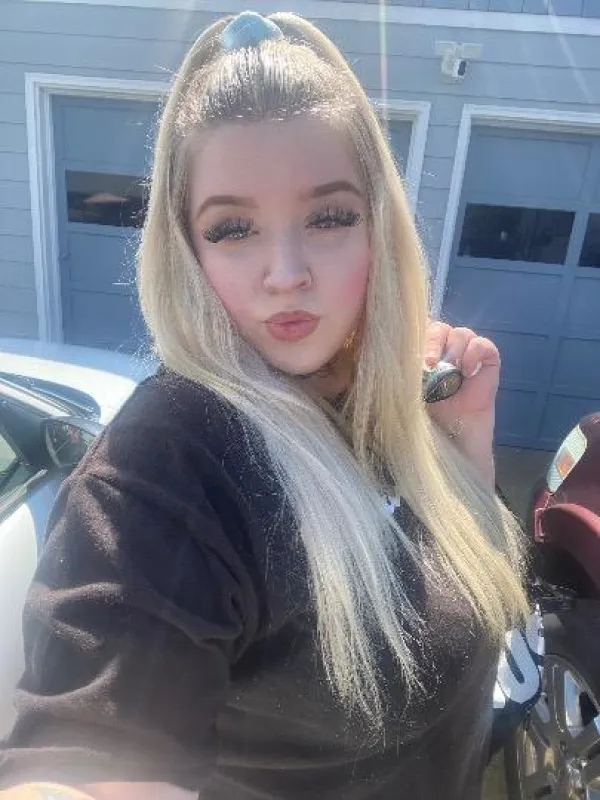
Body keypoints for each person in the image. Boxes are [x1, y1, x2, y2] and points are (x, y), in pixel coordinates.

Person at [0, 11, 529, 800]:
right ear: (187, 249)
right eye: (234, 228)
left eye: (328, 217)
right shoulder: (168, 467)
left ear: (378, 229)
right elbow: (85, 758)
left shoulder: (384, 404)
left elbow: (472, 591)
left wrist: (462, 446)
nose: (285, 273)